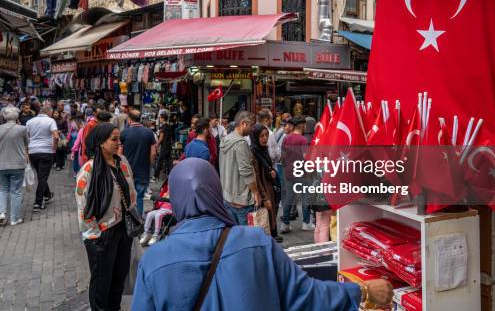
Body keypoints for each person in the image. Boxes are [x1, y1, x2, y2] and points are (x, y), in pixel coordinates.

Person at [131, 158, 394, 311]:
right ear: (215, 190)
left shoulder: (154, 261)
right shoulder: (255, 241)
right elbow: (306, 295)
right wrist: (363, 292)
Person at [75, 123, 136, 311]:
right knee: (101, 282)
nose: (119, 143)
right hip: (101, 234)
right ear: (101, 142)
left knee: (118, 278)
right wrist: (95, 234)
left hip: (123, 230)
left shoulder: (122, 162)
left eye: (119, 139)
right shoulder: (89, 169)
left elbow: (131, 191)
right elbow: (83, 206)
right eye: (114, 139)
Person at [0, 106, 29, 226]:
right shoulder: (22, 129)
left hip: (0, 164)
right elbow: (27, 143)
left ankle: (1, 213)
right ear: (17, 116)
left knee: (3, 189)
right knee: (16, 191)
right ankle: (14, 218)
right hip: (18, 164)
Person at [219, 111, 259, 225]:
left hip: (228, 198)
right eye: (251, 125)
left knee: (235, 236)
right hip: (241, 202)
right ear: (243, 123)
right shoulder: (241, 143)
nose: (252, 129)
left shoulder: (225, 140)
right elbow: (247, 172)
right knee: (246, 239)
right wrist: (256, 193)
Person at [281, 116, 314, 233]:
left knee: (289, 197)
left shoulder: (286, 138)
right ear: (302, 126)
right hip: (301, 172)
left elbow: (283, 157)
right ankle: (306, 222)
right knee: (305, 197)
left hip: (289, 172)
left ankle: (285, 223)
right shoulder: (303, 140)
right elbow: (306, 157)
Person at [120, 109, 156, 215]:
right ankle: (138, 220)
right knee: (139, 197)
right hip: (143, 170)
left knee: (127, 197)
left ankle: (128, 220)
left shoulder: (124, 133)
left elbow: (119, 153)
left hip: (127, 171)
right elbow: (153, 153)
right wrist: (150, 165)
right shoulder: (149, 133)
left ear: (129, 120)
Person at [250, 124, 282, 242]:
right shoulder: (254, 152)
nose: (264, 138)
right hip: (263, 188)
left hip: (270, 186)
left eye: (266, 135)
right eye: (261, 136)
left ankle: (273, 234)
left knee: (272, 212)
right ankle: (267, 237)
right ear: (255, 137)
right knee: (266, 214)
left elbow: (268, 167)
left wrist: (272, 172)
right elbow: (256, 176)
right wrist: (264, 197)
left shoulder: (264, 150)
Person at [26, 105, 58, 211]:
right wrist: (54, 147)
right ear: (49, 112)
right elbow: (56, 136)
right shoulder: (50, 121)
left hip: (33, 151)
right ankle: (38, 202)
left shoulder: (30, 122)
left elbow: (27, 137)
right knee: (43, 176)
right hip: (46, 151)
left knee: (41, 175)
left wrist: (27, 151)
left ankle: (47, 195)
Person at [139, 178, 172, 247]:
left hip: (170, 209)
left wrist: (163, 197)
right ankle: (147, 233)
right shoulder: (165, 192)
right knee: (149, 214)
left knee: (158, 215)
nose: (168, 187)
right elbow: (161, 199)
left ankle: (156, 235)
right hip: (162, 208)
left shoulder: (175, 193)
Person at [154, 111, 173, 180]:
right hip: (169, 146)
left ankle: (155, 175)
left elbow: (161, 138)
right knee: (168, 161)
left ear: (163, 118)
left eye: (160, 118)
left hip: (164, 146)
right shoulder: (169, 126)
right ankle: (171, 174)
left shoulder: (163, 127)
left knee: (160, 161)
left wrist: (157, 145)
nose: (159, 119)